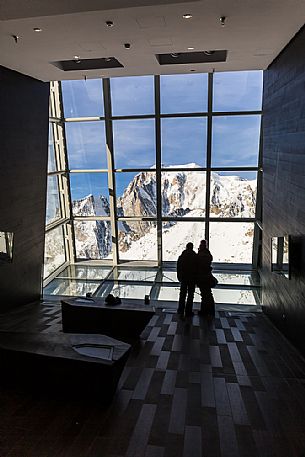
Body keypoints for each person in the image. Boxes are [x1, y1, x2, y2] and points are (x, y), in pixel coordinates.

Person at [177, 242, 197, 317]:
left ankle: (180, 309)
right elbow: (197, 268)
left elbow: (178, 267)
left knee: (182, 294)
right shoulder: (195, 256)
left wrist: (179, 277)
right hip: (192, 279)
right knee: (190, 295)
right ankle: (188, 311)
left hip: (184, 278)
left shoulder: (182, 256)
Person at [196, 240, 215, 316]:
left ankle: (204, 311)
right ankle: (210, 310)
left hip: (202, 277)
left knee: (204, 295)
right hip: (207, 277)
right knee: (208, 294)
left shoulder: (200, 254)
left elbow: (198, 265)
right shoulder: (208, 254)